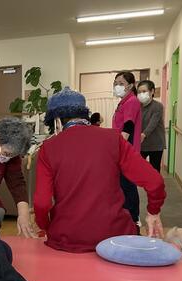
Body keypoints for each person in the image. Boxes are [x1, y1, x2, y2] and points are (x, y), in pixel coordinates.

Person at [34, 87, 166, 253]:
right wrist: (153, 212)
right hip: (115, 236)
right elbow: (155, 181)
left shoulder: (49, 148)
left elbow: (41, 203)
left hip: (66, 238)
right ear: (84, 114)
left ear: (57, 121)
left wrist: (47, 226)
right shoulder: (113, 138)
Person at [112, 71, 142, 226]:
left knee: (128, 185)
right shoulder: (124, 102)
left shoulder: (131, 101)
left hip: (126, 150)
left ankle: (134, 218)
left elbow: (128, 126)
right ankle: (128, 217)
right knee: (124, 185)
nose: (117, 86)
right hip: (123, 149)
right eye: (115, 83)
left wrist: (118, 147)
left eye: (121, 83)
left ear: (130, 85)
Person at [137, 80, 165, 172]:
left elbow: (153, 123)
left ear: (152, 91)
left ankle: (155, 186)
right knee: (139, 168)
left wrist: (143, 135)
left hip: (156, 144)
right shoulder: (137, 107)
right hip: (142, 144)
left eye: (144, 91)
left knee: (155, 170)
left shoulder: (158, 106)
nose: (141, 94)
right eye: (139, 92)